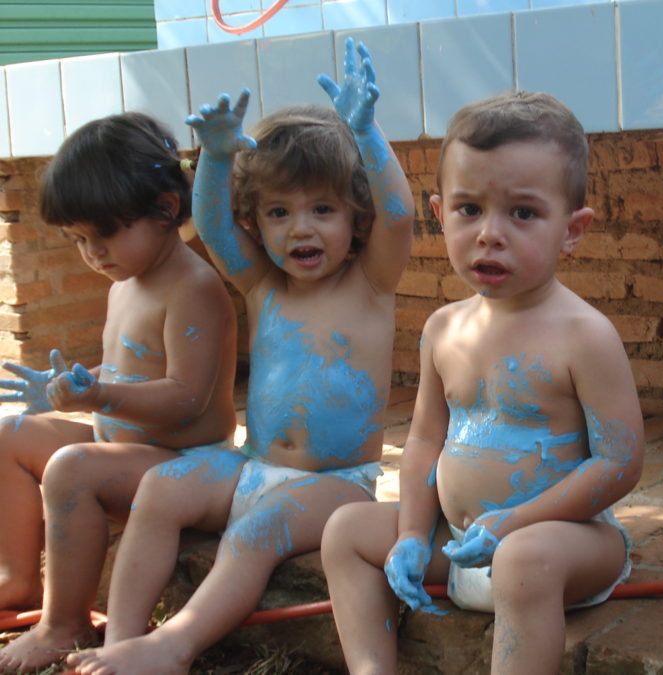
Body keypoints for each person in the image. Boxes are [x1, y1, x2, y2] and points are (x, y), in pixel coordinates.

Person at [66, 39, 413, 675]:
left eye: (322, 210)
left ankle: (174, 648)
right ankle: (121, 643)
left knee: (254, 535)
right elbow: (215, 229)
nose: (300, 229)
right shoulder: (263, 285)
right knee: (160, 488)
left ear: (355, 218)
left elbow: (400, 214)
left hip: (335, 484)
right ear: (257, 220)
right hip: (251, 465)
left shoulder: (371, 283)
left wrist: (367, 133)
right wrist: (218, 158)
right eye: (279, 212)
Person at [320, 90, 645, 674]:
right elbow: (423, 441)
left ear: (572, 230)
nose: (490, 234)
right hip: (461, 543)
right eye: (470, 210)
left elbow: (620, 463)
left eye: (522, 213)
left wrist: (517, 523)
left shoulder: (584, 335)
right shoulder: (444, 328)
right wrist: (415, 534)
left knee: (523, 559)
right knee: (345, 528)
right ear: (440, 215)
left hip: (558, 548)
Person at [0, 112, 238, 672]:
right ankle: (15, 580)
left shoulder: (193, 287)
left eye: (104, 234)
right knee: (8, 434)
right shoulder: (127, 282)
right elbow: (126, 369)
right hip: (126, 447)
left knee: (71, 467)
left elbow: (186, 398)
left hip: (184, 466)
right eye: (79, 239)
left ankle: (64, 625)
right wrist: (76, 387)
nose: (93, 253)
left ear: (165, 208)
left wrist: (100, 398)